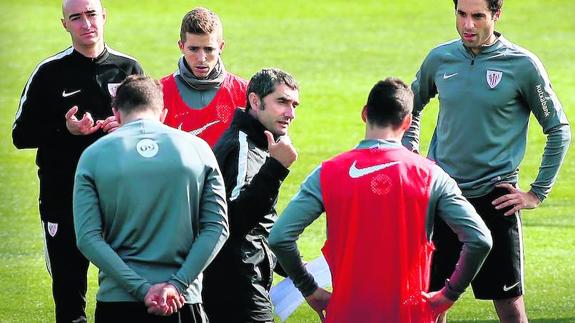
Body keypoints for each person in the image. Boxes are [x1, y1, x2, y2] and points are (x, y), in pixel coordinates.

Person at [269, 78, 493, 323]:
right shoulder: (431, 175)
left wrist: (309, 289)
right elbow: (480, 239)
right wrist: (449, 294)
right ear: (407, 122)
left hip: (347, 314)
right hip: (410, 315)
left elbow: (280, 237)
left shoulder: (328, 173)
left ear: (365, 114)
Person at [402, 0, 571, 322]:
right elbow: (410, 106)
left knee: (508, 302)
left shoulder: (522, 65)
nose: (468, 25)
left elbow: (558, 130)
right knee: (430, 299)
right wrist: (412, 152)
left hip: (496, 199)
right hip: (443, 196)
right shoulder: (440, 58)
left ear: (496, 15)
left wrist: (537, 192)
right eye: (461, 15)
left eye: (477, 16)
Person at [11, 0, 143, 321]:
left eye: (91, 14)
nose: (86, 23)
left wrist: (129, 127)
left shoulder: (128, 70)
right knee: (69, 297)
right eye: (76, 18)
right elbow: (20, 135)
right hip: (63, 200)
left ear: (104, 16)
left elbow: (152, 130)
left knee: (123, 292)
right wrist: (65, 129)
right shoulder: (48, 73)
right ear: (64, 24)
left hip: (119, 201)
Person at [73, 75, 229, 322]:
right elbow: (218, 228)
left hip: (118, 302)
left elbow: (87, 238)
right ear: (163, 113)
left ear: (116, 112)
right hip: (182, 300)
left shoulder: (93, 156)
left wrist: (141, 289)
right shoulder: (199, 150)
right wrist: (177, 285)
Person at [202, 68, 299, 322]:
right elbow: (234, 221)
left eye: (294, 105)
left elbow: (258, 225)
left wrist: (287, 266)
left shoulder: (256, 142)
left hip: (240, 280)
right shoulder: (243, 147)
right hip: (238, 289)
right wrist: (277, 168)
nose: (290, 113)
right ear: (255, 101)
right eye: (282, 102)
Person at [161, 7, 247, 148]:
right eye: (193, 49)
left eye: (209, 49)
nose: (201, 58)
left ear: (221, 47)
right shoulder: (159, 93)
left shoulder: (245, 93)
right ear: (181, 46)